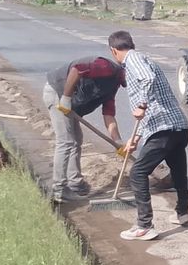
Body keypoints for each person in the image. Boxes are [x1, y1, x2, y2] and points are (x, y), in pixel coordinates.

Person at [107, 30, 188, 240]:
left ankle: (144, 225)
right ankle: (182, 212)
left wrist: (141, 104)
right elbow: (152, 104)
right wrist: (135, 138)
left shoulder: (132, 59)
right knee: (178, 170)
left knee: (137, 173)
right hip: (178, 127)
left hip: (163, 129)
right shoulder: (142, 58)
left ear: (114, 51)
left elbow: (148, 79)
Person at [44, 54, 126, 203]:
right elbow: (77, 69)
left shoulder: (113, 85)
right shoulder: (107, 67)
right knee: (66, 141)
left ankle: (75, 183)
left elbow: (108, 115)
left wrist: (118, 140)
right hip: (57, 92)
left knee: (76, 140)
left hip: (67, 99)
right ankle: (59, 189)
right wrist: (66, 98)